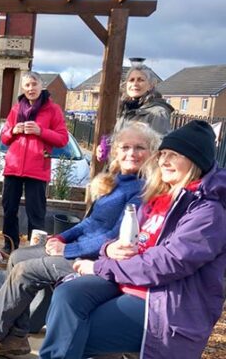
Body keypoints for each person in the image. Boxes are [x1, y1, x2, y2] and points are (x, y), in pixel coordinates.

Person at [0, 122, 160, 356]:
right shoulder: (114, 181)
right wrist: (60, 237)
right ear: (116, 151)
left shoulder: (143, 190)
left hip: (97, 261)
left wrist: (67, 249)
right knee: (17, 257)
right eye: (125, 147)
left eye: (139, 148)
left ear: (152, 153)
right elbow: (90, 223)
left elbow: (115, 236)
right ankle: (16, 337)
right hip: (80, 249)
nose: (131, 153)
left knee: (24, 271)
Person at [39, 120, 226, 359]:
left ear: (196, 161)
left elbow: (166, 263)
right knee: (67, 295)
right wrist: (110, 249)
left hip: (163, 301)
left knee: (72, 331)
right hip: (127, 280)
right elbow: (122, 239)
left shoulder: (208, 213)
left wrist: (99, 265)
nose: (165, 161)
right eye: (163, 154)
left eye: (175, 155)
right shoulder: (159, 196)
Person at [0, 71, 68, 251]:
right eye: (27, 85)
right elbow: (4, 138)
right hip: (13, 168)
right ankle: (9, 246)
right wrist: (13, 130)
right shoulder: (16, 109)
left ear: (41, 86)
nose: (31, 89)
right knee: (9, 211)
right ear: (23, 88)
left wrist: (41, 131)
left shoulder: (53, 110)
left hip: (37, 169)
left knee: (36, 214)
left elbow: (63, 139)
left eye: (34, 84)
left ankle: (34, 250)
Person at [97, 64, 173, 162]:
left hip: (141, 173)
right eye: (131, 80)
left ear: (151, 85)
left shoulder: (158, 113)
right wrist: (106, 149)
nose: (135, 84)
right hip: (120, 170)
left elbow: (158, 150)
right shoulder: (126, 110)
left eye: (140, 80)